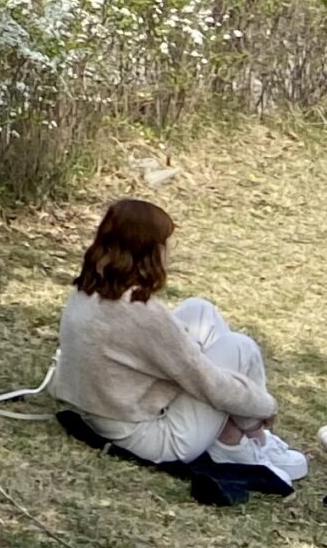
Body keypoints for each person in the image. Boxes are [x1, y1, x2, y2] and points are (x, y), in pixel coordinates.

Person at [54, 198, 305, 478]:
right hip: (145, 436)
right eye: (165, 243)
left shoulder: (88, 291)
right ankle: (243, 440)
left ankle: (237, 430)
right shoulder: (142, 313)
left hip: (99, 409)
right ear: (150, 249)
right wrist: (262, 406)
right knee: (239, 348)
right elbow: (206, 381)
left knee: (200, 311)